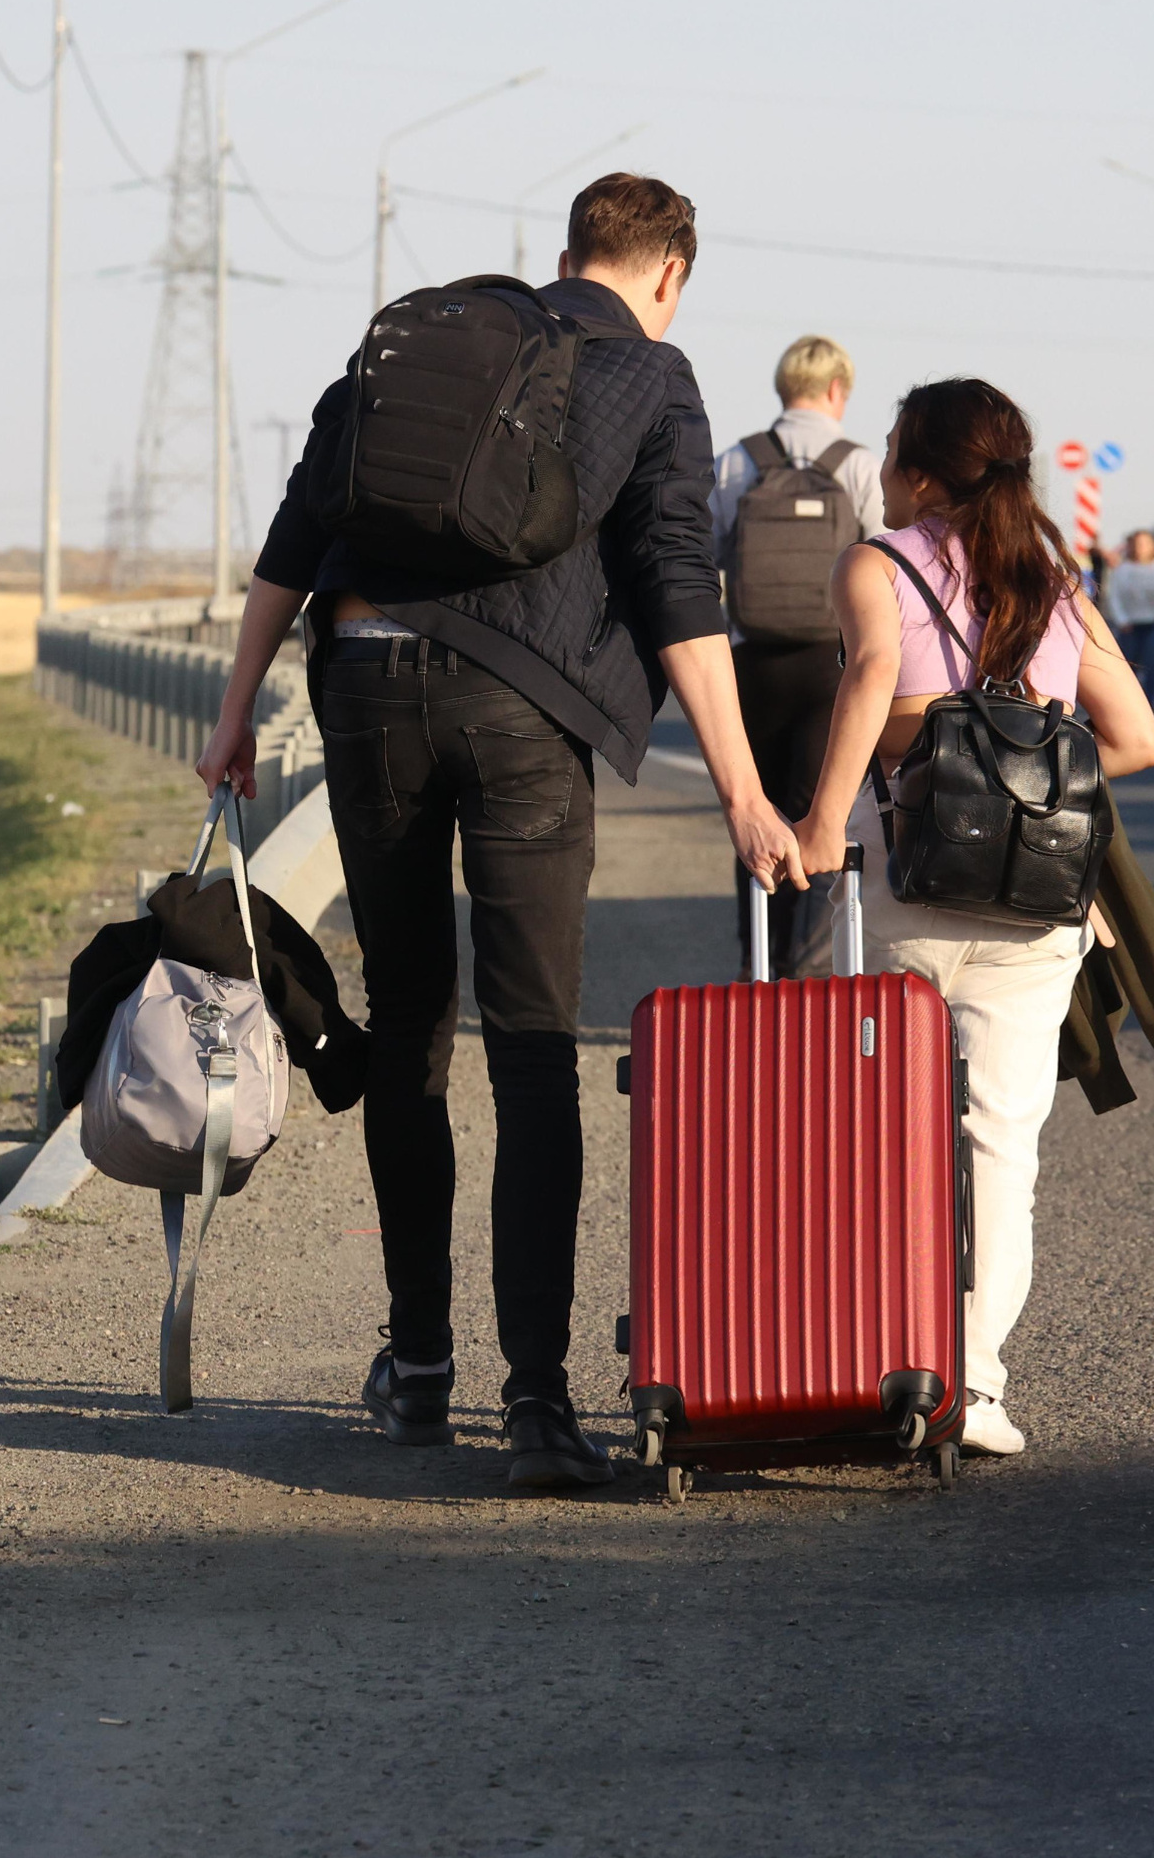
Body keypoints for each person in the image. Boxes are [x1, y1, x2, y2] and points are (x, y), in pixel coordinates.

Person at [197, 173, 806, 1491]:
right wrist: (745, 792)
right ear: (668, 275)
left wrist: (237, 716)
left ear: (569, 251)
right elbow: (676, 581)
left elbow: (291, 545)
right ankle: (535, 1404)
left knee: (411, 1023)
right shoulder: (651, 374)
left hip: (362, 690)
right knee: (531, 1049)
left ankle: (419, 1365)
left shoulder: (421, 343)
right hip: (523, 713)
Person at [791, 378, 1154, 1458]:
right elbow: (1134, 739)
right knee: (1001, 1145)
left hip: (906, 887)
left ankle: (872, 1361)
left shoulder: (880, 562)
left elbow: (868, 679)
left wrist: (822, 822)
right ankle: (978, 1386)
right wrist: (1028, 738)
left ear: (911, 469)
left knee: (869, 1134)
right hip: (1035, 902)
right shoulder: (1057, 584)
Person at [710, 334, 885, 977]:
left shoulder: (737, 462)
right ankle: (800, 969)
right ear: (838, 390)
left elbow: (702, 555)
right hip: (829, 667)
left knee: (755, 812)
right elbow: (883, 566)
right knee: (820, 818)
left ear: (784, 388)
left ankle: (755, 958)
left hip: (751, 662)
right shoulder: (859, 466)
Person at [1102, 528, 1154, 701]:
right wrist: (1122, 620)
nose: (1140, 548)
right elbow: (1113, 597)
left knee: (1151, 664)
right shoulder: (1122, 569)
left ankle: (1149, 704)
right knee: (1129, 666)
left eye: (1145, 544)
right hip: (1131, 625)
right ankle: (1126, 702)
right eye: (1137, 544)